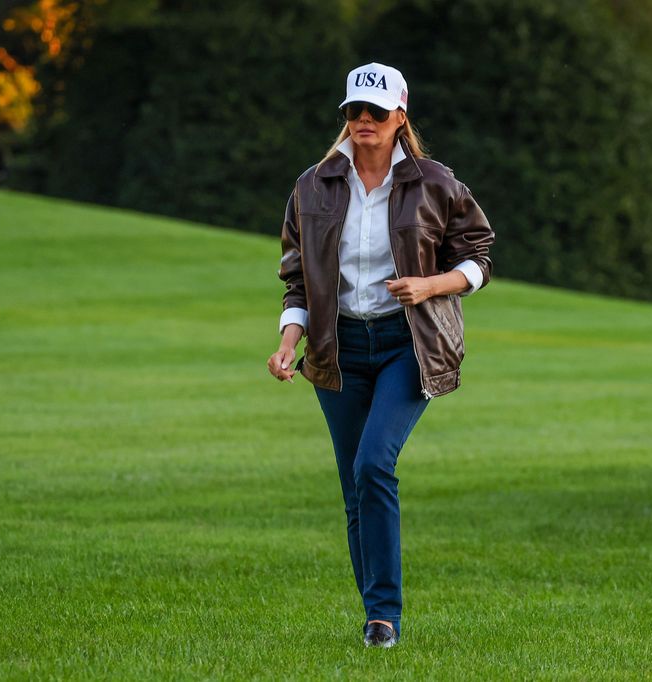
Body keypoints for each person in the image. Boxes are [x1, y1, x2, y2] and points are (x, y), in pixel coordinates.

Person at [266, 63, 494, 647]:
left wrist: (431, 286)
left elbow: (478, 256)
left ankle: (385, 615)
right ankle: (376, 617)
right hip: (335, 349)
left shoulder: (435, 182)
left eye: (374, 112)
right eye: (353, 111)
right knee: (354, 486)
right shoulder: (312, 185)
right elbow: (296, 280)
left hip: (408, 343)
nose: (362, 121)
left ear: (400, 116)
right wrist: (289, 342)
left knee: (374, 465)